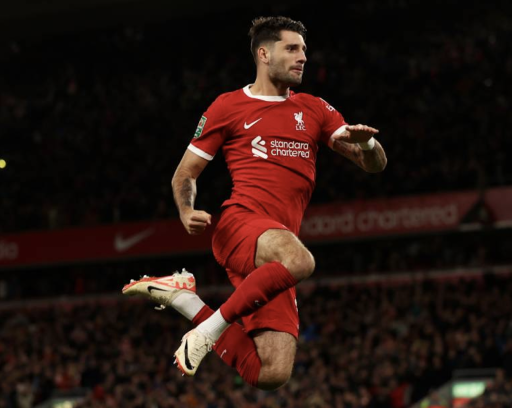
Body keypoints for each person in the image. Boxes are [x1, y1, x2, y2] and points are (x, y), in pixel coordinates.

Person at [122, 16, 387, 390]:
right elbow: (185, 174)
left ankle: (185, 302)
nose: (303, 58)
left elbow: (373, 165)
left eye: (304, 51)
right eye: (292, 49)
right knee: (301, 260)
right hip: (240, 225)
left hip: (275, 253)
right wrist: (186, 210)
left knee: (271, 374)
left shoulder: (314, 109)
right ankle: (207, 333)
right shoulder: (228, 106)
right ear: (264, 54)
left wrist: (368, 144)